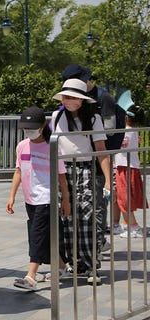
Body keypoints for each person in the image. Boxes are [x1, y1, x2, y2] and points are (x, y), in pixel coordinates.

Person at [50, 78, 111, 284]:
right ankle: (73, 262)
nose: (69, 101)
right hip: (61, 169)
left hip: (84, 168)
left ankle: (91, 264)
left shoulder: (93, 119)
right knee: (66, 216)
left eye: (73, 97)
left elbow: (101, 151)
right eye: (66, 97)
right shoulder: (57, 116)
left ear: (82, 100)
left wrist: (108, 181)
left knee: (86, 216)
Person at [6, 106, 71, 291]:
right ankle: (61, 266)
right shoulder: (22, 146)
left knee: (36, 236)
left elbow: (61, 176)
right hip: (30, 199)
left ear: (43, 126)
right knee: (45, 236)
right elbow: (18, 171)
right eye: (26, 129)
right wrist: (11, 196)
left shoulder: (52, 147)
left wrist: (65, 200)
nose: (30, 132)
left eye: (32, 128)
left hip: (46, 198)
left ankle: (31, 276)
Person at [61, 64, 119, 251]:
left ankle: (97, 243)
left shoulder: (104, 97)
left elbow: (109, 129)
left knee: (97, 206)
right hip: (76, 161)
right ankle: (80, 248)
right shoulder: (68, 100)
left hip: (98, 158)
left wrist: (91, 121)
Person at [112, 105, 148, 238]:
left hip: (124, 168)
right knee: (119, 196)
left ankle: (133, 226)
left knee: (123, 198)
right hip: (129, 167)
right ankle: (118, 224)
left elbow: (117, 145)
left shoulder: (125, 131)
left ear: (126, 116)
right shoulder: (134, 131)